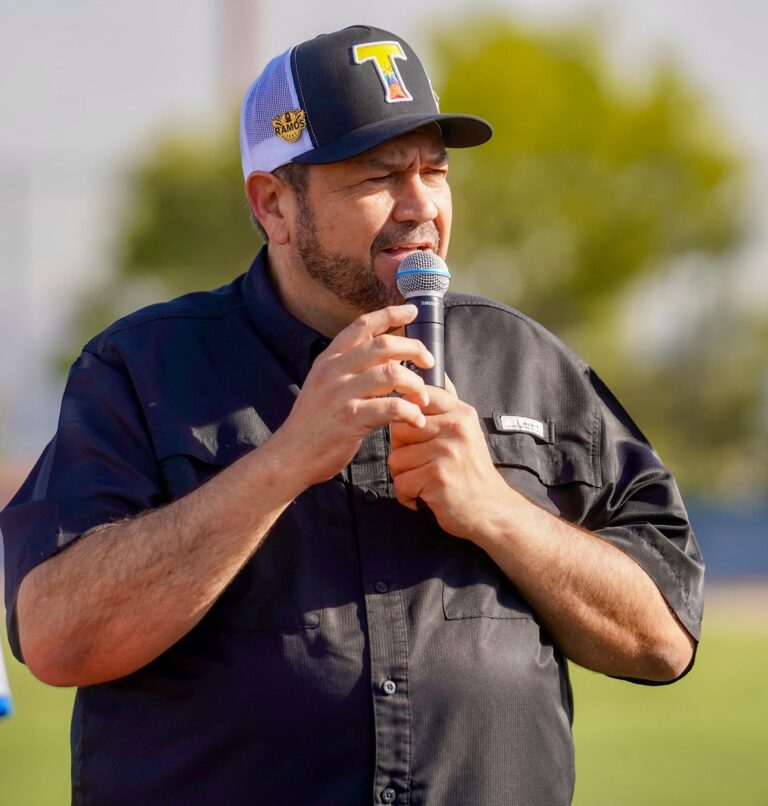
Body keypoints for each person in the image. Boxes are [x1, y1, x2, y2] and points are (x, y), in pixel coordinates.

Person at [1, 24, 703, 806]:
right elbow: (58, 639)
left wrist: (497, 512)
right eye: (377, 177)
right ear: (273, 203)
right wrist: (284, 462)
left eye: (433, 171)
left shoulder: (528, 363)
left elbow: (664, 636)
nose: (419, 206)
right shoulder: (141, 368)